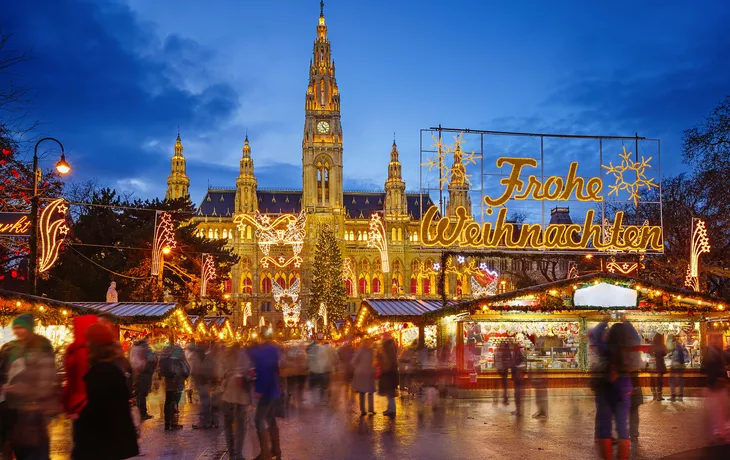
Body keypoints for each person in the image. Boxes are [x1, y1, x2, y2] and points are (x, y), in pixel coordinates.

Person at [73, 323, 139, 460]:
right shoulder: (113, 367)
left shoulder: (103, 371)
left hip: (102, 442)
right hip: (111, 441)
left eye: (88, 340)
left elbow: (99, 409)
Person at [0, 313, 58, 460]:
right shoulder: (10, 348)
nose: (18, 331)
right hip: (12, 407)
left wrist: (22, 389)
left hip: (35, 408)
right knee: (16, 444)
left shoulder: (41, 347)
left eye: (21, 328)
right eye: (16, 328)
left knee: (35, 448)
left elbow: (45, 380)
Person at [62, 314, 99, 452]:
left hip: (79, 405)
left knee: (82, 444)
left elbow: (71, 381)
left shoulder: (75, 351)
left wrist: (66, 405)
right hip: (95, 405)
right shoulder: (101, 351)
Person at [596, 322, 632, 460]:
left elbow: (595, 337)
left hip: (606, 389)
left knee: (604, 427)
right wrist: (627, 322)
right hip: (623, 389)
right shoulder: (628, 350)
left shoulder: (605, 349)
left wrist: (604, 322)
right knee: (622, 426)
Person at [249, 339, 282, 460]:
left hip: (266, 393)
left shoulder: (260, 356)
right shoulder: (271, 352)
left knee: (258, 420)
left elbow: (264, 374)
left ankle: (265, 452)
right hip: (273, 391)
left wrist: (259, 390)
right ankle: (275, 448)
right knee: (270, 417)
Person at [220, 344, 252, 460]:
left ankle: (232, 453)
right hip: (240, 396)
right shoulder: (244, 355)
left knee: (228, 425)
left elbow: (218, 373)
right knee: (241, 426)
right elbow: (249, 372)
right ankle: (238, 454)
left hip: (227, 396)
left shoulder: (225, 356)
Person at [701, 335, 729, 442]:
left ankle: (719, 430)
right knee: (719, 408)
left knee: (719, 408)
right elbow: (710, 368)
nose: (720, 341)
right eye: (717, 339)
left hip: (715, 385)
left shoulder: (714, 352)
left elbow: (704, 368)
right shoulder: (713, 353)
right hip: (716, 385)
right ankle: (719, 431)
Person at [158, 337, 190, 431]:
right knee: (175, 401)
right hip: (177, 379)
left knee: (168, 401)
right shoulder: (179, 351)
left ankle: (167, 424)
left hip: (168, 379)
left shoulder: (164, 351)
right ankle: (174, 423)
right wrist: (186, 374)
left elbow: (159, 365)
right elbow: (185, 365)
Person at [621, 315, 643, 439]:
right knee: (633, 410)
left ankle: (624, 432)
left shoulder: (621, 349)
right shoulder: (635, 349)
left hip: (625, 384)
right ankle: (633, 432)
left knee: (625, 409)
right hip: (633, 384)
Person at [129, 336, 157, 420]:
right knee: (143, 393)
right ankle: (143, 413)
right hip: (145, 372)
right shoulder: (146, 348)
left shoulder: (133, 347)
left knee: (138, 392)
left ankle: (139, 410)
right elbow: (152, 358)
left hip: (136, 371)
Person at [189, 342, 214, 429]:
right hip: (205, 381)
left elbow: (195, 370)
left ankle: (203, 422)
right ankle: (209, 421)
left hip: (201, 381)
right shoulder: (206, 355)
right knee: (206, 401)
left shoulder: (198, 356)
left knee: (204, 401)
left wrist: (195, 379)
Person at [351, 338, 376, 416]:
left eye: (369, 342)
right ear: (364, 343)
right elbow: (353, 361)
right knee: (362, 392)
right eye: (366, 343)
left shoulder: (371, 351)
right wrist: (359, 368)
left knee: (370, 391)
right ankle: (363, 410)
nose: (368, 344)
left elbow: (373, 361)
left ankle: (371, 409)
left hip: (369, 373)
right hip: (362, 374)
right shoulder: (360, 351)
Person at [378, 333, 399, 417]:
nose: (382, 339)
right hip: (391, 372)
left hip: (389, 372)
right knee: (389, 392)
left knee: (390, 392)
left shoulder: (387, 347)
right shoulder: (391, 346)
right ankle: (390, 408)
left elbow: (388, 360)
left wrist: (384, 367)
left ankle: (391, 409)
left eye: (383, 338)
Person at [669, 336, 686, 402]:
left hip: (675, 365)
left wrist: (669, 356)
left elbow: (672, 355)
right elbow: (685, 356)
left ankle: (673, 395)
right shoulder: (681, 346)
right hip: (681, 366)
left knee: (672, 380)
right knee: (680, 380)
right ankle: (680, 395)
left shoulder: (675, 347)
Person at [650, 334, 667, 401]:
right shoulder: (662, 345)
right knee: (659, 380)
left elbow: (649, 353)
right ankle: (659, 396)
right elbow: (665, 354)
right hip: (660, 364)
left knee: (653, 379)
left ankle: (654, 395)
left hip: (653, 364)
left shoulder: (652, 345)